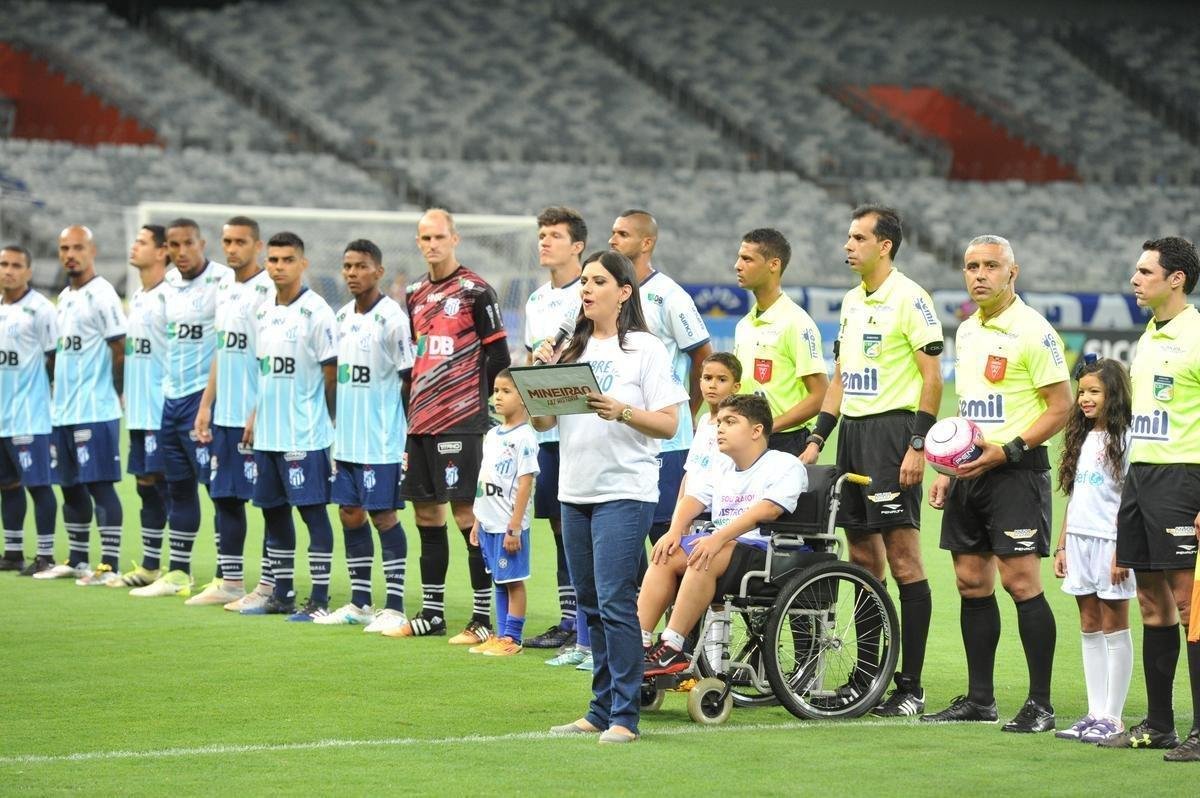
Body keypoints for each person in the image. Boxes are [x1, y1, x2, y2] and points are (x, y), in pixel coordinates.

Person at [534, 249, 687, 744]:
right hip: (574, 488)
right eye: (583, 281)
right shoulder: (570, 350)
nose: (586, 288)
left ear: (623, 292)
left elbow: (668, 423)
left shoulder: (645, 349)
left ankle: (625, 715)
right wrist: (540, 377)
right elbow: (542, 423)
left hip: (625, 488)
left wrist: (621, 411)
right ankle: (598, 710)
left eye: (597, 280)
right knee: (590, 603)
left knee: (618, 601)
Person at [923, 234, 1070, 733]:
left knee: (1021, 582)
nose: (979, 275)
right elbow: (967, 411)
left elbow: (1061, 407)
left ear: (1013, 273)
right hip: (970, 470)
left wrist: (1008, 451)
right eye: (971, 266)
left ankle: (1041, 704)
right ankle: (981, 699)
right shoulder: (965, 331)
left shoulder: (1034, 331)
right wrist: (946, 470)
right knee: (970, 581)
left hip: (1014, 472)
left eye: (990, 266)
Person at [799, 206, 942, 717]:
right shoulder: (850, 301)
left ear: (885, 245)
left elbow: (932, 378)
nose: (849, 245)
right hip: (853, 437)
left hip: (892, 434)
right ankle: (866, 678)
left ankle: (912, 687)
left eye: (859, 237)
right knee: (863, 561)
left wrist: (918, 444)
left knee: (904, 560)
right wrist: (819, 437)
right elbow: (839, 378)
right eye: (848, 236)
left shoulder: (911, 298)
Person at [1100, 237, 1200, 761]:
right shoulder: (1150, 336)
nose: (1135, 279)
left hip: (1185, 478)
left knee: (1192, 606)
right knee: (1151, 602)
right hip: (1143, 478)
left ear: (1176, 278)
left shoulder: (1198, 334)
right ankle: (1160, 724)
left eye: (1145, 271)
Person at [394, 209, 510, 643]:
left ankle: (482, 618)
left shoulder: (476, 291)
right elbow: (418, 357)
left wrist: (488, 408)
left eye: (439, 236)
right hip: (421, 419)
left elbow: (498, 357)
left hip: (461, 421)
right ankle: (432, 612)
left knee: (467, 513)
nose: (431, 244)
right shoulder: (414, 293)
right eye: (424, 237)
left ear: (455, 239)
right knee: (426, 513)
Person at [640, 394, 805, 676]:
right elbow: (693, 498)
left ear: (756, 431)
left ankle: (672, 646)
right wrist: (673, 532)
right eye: (719, 422)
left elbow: (768, 510)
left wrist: (718, 537)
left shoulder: (785, 464)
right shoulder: (721, 465)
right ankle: (637, 643)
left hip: (768, 552)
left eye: (731, 422)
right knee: (665, 554)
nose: (720, 428)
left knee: (706, 553)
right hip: (724, 547)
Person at [315, 240, 414, 632]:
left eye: (361, 266)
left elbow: (409, 381)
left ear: (379, 271)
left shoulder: (393, 319)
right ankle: (359, 602)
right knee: (349, 513)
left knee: (383, 516)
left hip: (382, 440)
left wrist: (406, 438)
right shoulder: (340, 318)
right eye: (347, 266)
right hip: (349, 440)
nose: (353, 273)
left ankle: (394, 605)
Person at [130, 219, 232, 598]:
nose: (181, 251)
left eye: (188, 243)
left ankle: (227, 573)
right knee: (178, 488)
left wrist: (209, 400)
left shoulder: (221, 282)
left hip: (202, 400)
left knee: (216, 489)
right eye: (174, 244)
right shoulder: (167, 285)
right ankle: (178, 571)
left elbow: (226, 344)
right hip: (170, 401)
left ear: (201, 243)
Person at [194, 216, 292, 611]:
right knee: (224, 497)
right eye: (226, 241)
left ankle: (269, 585)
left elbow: (269, 357)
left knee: (267, 501)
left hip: (258, 416)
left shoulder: (268, 290)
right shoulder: (222, 287)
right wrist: (206, 404)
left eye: (240, 242)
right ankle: (231, 580)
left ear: (257, 245)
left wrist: (256, 411)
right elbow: (223, 348)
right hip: (224, 414)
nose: (231, 248)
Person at [243, 232, 338, 621]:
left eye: (286, 260)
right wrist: (253, 418)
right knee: (272, 512)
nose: (278, 266)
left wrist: (326, 422)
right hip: (268, 433)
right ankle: (281, 593)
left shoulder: (317, 312)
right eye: (273, 260)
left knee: (313, 514)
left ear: (303, 264)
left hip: (305, 434)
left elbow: (332, 375)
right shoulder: (263, 311)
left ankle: (318, 599)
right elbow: (264, 373)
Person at [608, 209, 711, 543]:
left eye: (623, 234)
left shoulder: (670, 296)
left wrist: (688, 413)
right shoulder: (612, 295)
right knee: (623, 535)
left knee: (666, 534)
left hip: (666, 441)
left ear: (647, 242)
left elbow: (704, 358)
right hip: (623, 436)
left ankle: (679, 598)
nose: (612, 240)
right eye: (613, 232)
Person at [34, 226, 126, 583]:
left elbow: (120, 348)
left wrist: (115, 391)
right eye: (64, 248)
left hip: (95, 409)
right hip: (64, 411)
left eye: (77, 247)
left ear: (93, 250)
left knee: (99, 486)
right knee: (70, 486)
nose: (70, 254)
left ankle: (110, 564)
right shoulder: (67, 296)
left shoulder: (102, 295)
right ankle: (77, 559)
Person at [1052, 356, 1135, 743]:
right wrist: (1063, 543)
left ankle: (1113, 717)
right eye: (1082, 391)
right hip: (1080, 541)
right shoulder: (1083, 436)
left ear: (1113, 394)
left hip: (1111, 542)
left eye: (1094, 392)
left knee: (1114, 625)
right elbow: (1076, 497)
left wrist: (1123, 549)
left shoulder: (1126, 438)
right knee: (1089, 625)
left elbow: (1130, 499)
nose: (1084, 398)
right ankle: (1094, 712)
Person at [523, 206, 584, 656]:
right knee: (558, 527)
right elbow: (532, 362)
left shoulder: (591, 291)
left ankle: (590, 621)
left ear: (577, 245)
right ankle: (569, 618)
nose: (544, 241)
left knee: (582, 525)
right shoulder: (536, 300)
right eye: (542, 234)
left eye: (555, 235)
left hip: (582, 430)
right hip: (546, 432)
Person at [731, 228, 828, 455]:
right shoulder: (744, 325)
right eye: (739, 257)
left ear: (773, 265)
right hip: (748, 439)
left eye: (747, 259)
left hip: (784, 442)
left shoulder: (797, 323)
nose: (737, 265)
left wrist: (770, 426)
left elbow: (821, 395)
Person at [466, 369, 539, 656]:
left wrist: (515, 526)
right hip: (488, 522)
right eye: (496, 390)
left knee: (513, 580)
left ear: (523, 398)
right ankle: (500, 634)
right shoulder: (493, 434)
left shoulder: (525, 438)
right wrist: (477, 521)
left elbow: (525, 484)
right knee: (499, 578)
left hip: (508, 524)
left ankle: (513, 638)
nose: (498, 396)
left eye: (506, 391)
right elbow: (484, 481)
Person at [117, 225, 173, 588]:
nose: (134, 247)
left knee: (168, 485)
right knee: (144, 484)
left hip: (161, 408)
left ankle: (177, 564)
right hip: (138, 409)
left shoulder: (171, 295)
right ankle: (151, 565)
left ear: (162, 251)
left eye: (141, 242)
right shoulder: (138, 295)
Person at [0, 244, 58, 576]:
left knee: (38, 485)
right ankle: (12, 552)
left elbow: (55, 359)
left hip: (29, 415)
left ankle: (46, 555)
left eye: (16, 265)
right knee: (7, 485)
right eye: (3, 264)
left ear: (28, 271)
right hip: (2, 417)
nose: (8, 270)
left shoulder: (41, 310)